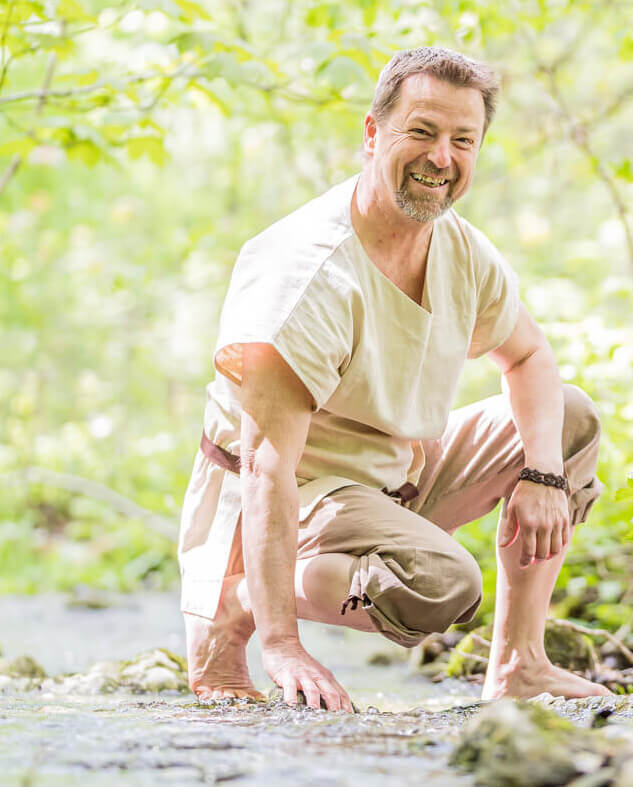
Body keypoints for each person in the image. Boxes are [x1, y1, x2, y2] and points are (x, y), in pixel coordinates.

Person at [178, 46, 610, 712]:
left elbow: (528, 358)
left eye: (461, 139)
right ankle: (234, 600)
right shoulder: (306, 278)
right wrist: (281, 641)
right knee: (442, 584)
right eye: (422, 132)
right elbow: (268, 469)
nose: (441, 157)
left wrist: (544, 474)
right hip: (295, 494)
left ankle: (519, 663)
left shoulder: (460, 249)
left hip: (395, 476)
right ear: (372, 133)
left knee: (567, 418)